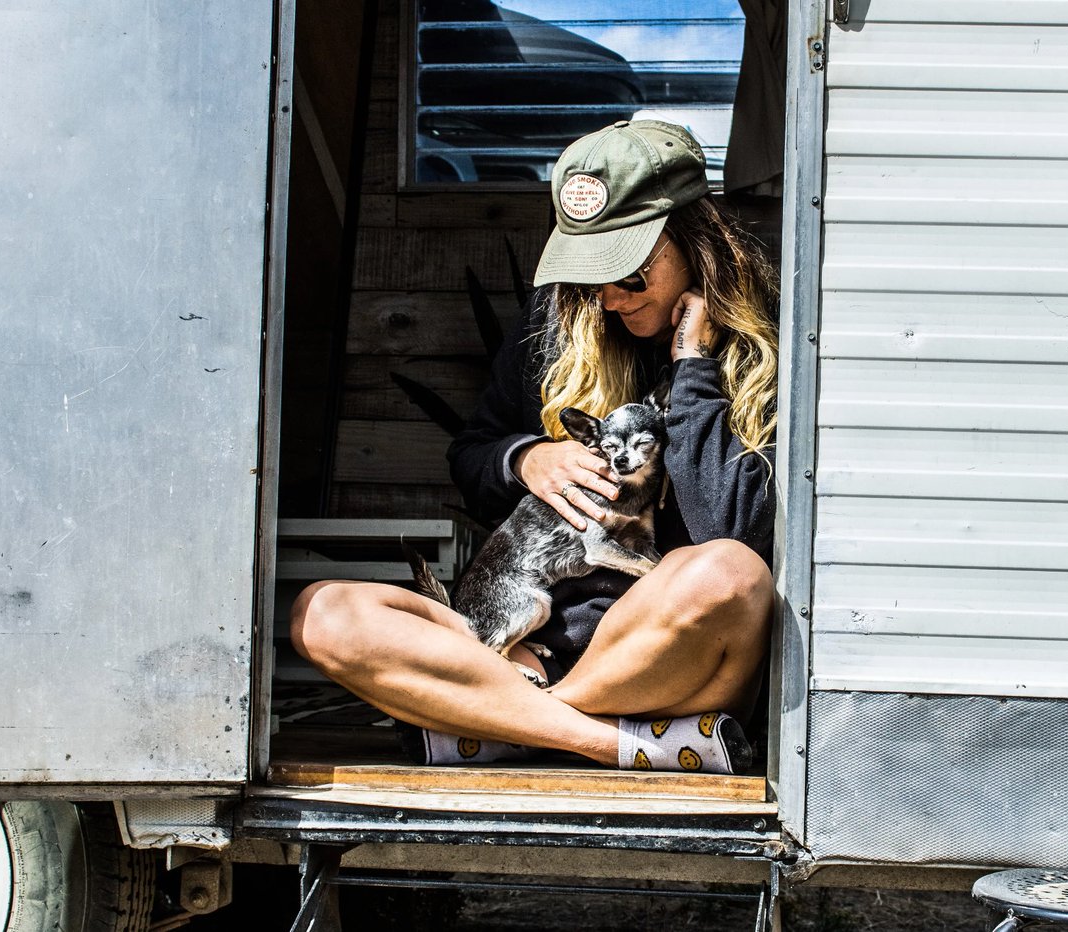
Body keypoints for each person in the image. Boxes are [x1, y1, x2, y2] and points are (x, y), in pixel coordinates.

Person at [290, 120, 780, 774]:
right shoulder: (560, 318)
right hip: (523, 653)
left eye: (629, 273)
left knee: (731, 575)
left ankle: (494, 725)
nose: (607, 298)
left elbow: (732, 529)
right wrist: (525, 458)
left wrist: (694, 364)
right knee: (322, 614)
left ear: (697, 246)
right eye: (590, 273)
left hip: (663, 659)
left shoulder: (762, 353)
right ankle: (611, 745)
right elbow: (471, 454)